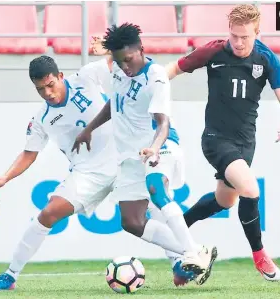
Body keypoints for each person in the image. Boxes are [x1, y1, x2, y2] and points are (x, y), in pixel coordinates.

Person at [74, 23, 217, 286]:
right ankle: (193, 252)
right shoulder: (119, 69)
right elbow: (114, 103)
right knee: (131, 221)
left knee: (156, 190)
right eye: (119, 61)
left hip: (160, 144)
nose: (124, 66)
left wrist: (153, 147)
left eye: (128, 60)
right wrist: (89, 129)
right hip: (129, 156)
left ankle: (192, 253)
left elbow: (163, 122)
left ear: (141, 49)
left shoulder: (157, 76)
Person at [165, 4, 280, 281]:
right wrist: (147, 89)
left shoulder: (266, 58)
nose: (237, 42)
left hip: (246, 143)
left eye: (244, 37)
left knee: (225, 200)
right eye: (234, 35)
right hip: (216, 140)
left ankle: (178, 229)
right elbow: (172, 69)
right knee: (250, 189)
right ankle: (260, 257)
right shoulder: (214, 51)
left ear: (257, 33)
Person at [0, 55, 119, 292]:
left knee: (145, 212)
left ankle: (180, 260)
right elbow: (29, 153)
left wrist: (107, 47)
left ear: (60, 76)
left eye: (50, 85)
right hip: (87, 173)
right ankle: (10, 275)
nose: (47, 93)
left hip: (122, 158)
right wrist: (5, 176)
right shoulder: (42, 119)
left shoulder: (85, 77)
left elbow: (120, 54)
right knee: (48, 213)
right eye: (40, 89)